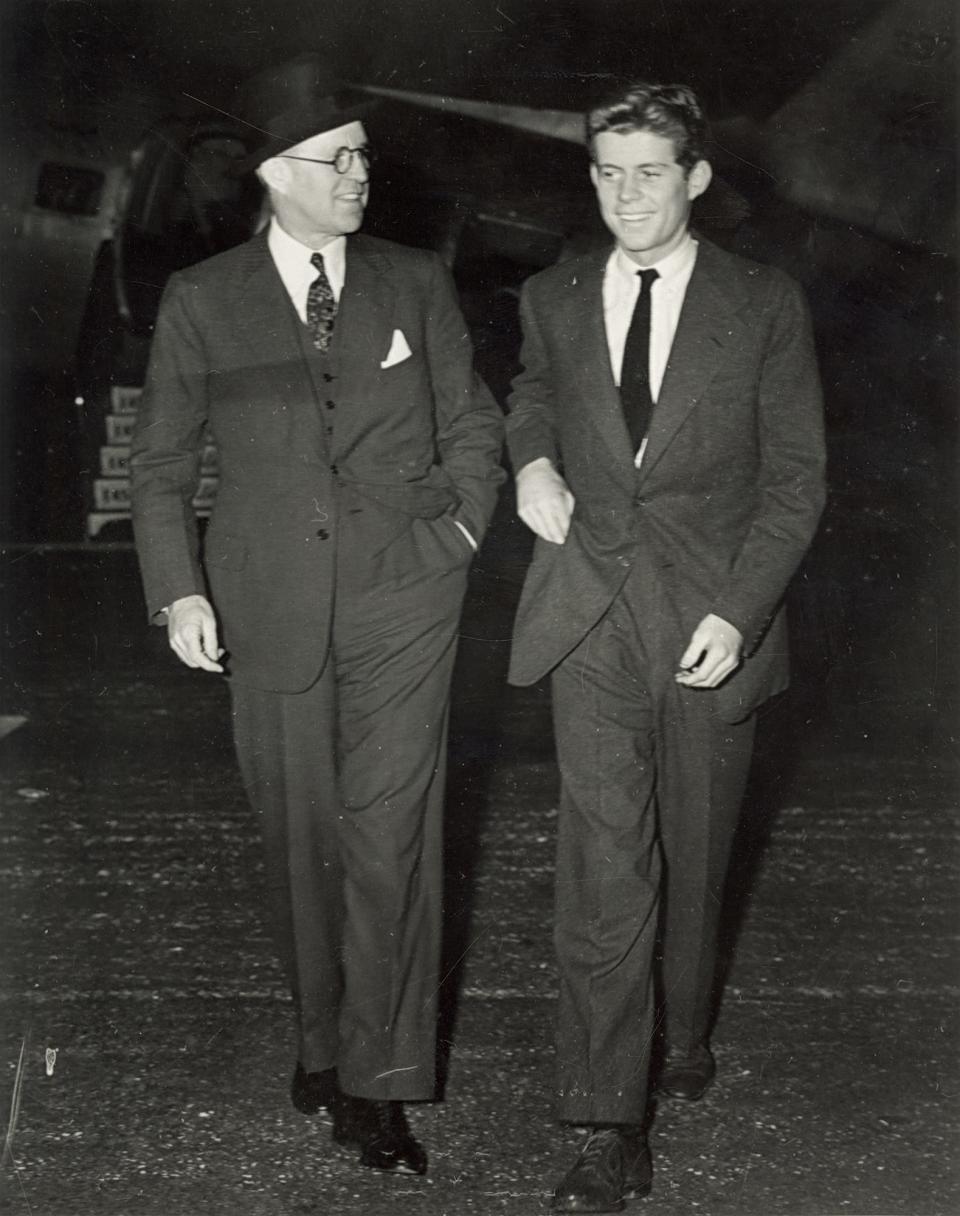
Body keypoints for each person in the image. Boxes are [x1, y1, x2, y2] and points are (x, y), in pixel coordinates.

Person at [129, 55, 504, 1178]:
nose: (359, 175)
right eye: (338, 159)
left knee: (393, 837)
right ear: (276, 176)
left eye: (364, 158)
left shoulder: (413, 281)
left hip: (407, 593)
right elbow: (159, 466)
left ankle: (376, 1081)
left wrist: (463, 537)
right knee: (301, 839)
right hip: (268, 603)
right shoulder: (204, 299)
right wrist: (179, 588)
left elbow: (472, 425)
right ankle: (318, 1037)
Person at [506, 81, 825, 1211]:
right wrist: (531, 459)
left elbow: (796, 484)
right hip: (587, 606)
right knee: (603, 866)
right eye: (606, 171)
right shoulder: (552, 293)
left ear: (694, 179)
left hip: (710, 619)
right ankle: (605, 1119)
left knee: (696, 850)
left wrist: (739, 613)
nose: (625, 194)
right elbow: (536, 393)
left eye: (649, 171)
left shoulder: (764, 303)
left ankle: (681, 1029)